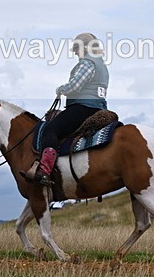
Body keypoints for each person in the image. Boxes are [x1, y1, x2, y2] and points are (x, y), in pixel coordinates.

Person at [22, 32, 109, 185]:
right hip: (98, 108)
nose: (75, 52)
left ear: (84, 47)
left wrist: (60, 89)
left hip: (84, 108)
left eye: (76, 49)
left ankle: (44, 171)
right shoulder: (102, 65)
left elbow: (75, 86)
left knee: (51, 129)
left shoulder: (87, 63)